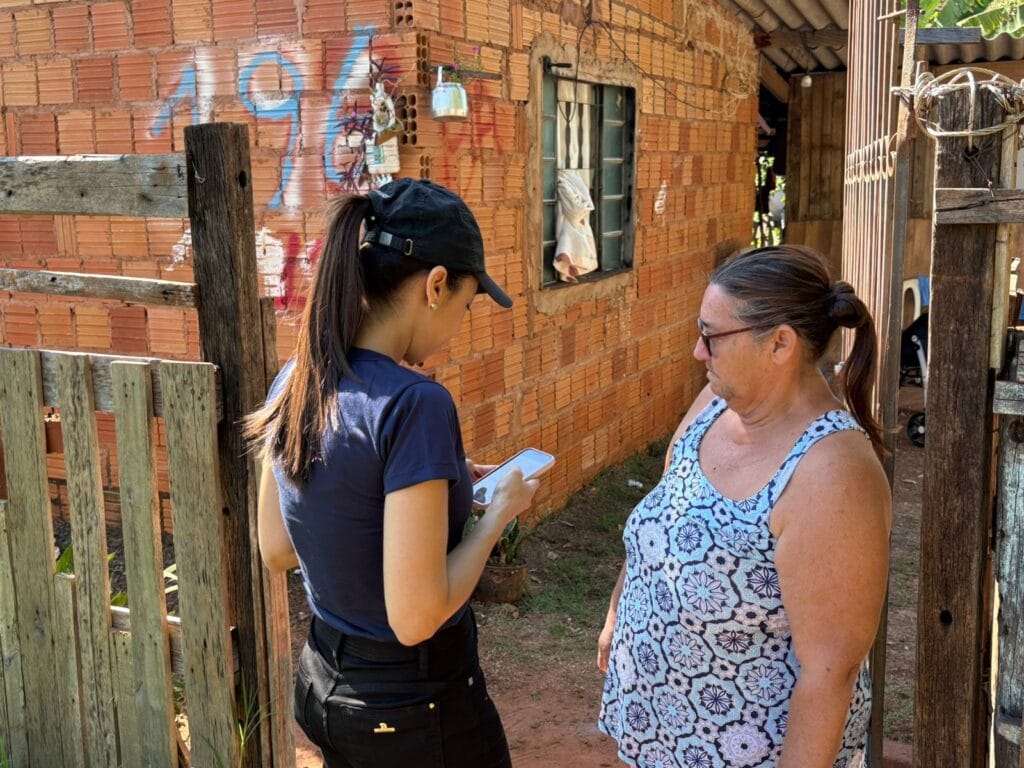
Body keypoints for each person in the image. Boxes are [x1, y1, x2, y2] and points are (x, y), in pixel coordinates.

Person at [247, 178, 538, 768]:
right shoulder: (416, 404)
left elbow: (277, 548)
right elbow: (415, 617)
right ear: (436, 285)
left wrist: (441, 479)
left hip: (326, 685)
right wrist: (496, 516)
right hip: (414, 712)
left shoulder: (296, 379)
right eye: (466, 303)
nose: (460, 326)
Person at [597, 245, 892, 768]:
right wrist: (621, 609)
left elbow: (830, 672)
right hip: (660, 738)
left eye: (712, 336)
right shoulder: (715, 404)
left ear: (780, 343)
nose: (697, 352)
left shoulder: (831, 472)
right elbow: (662, 512)